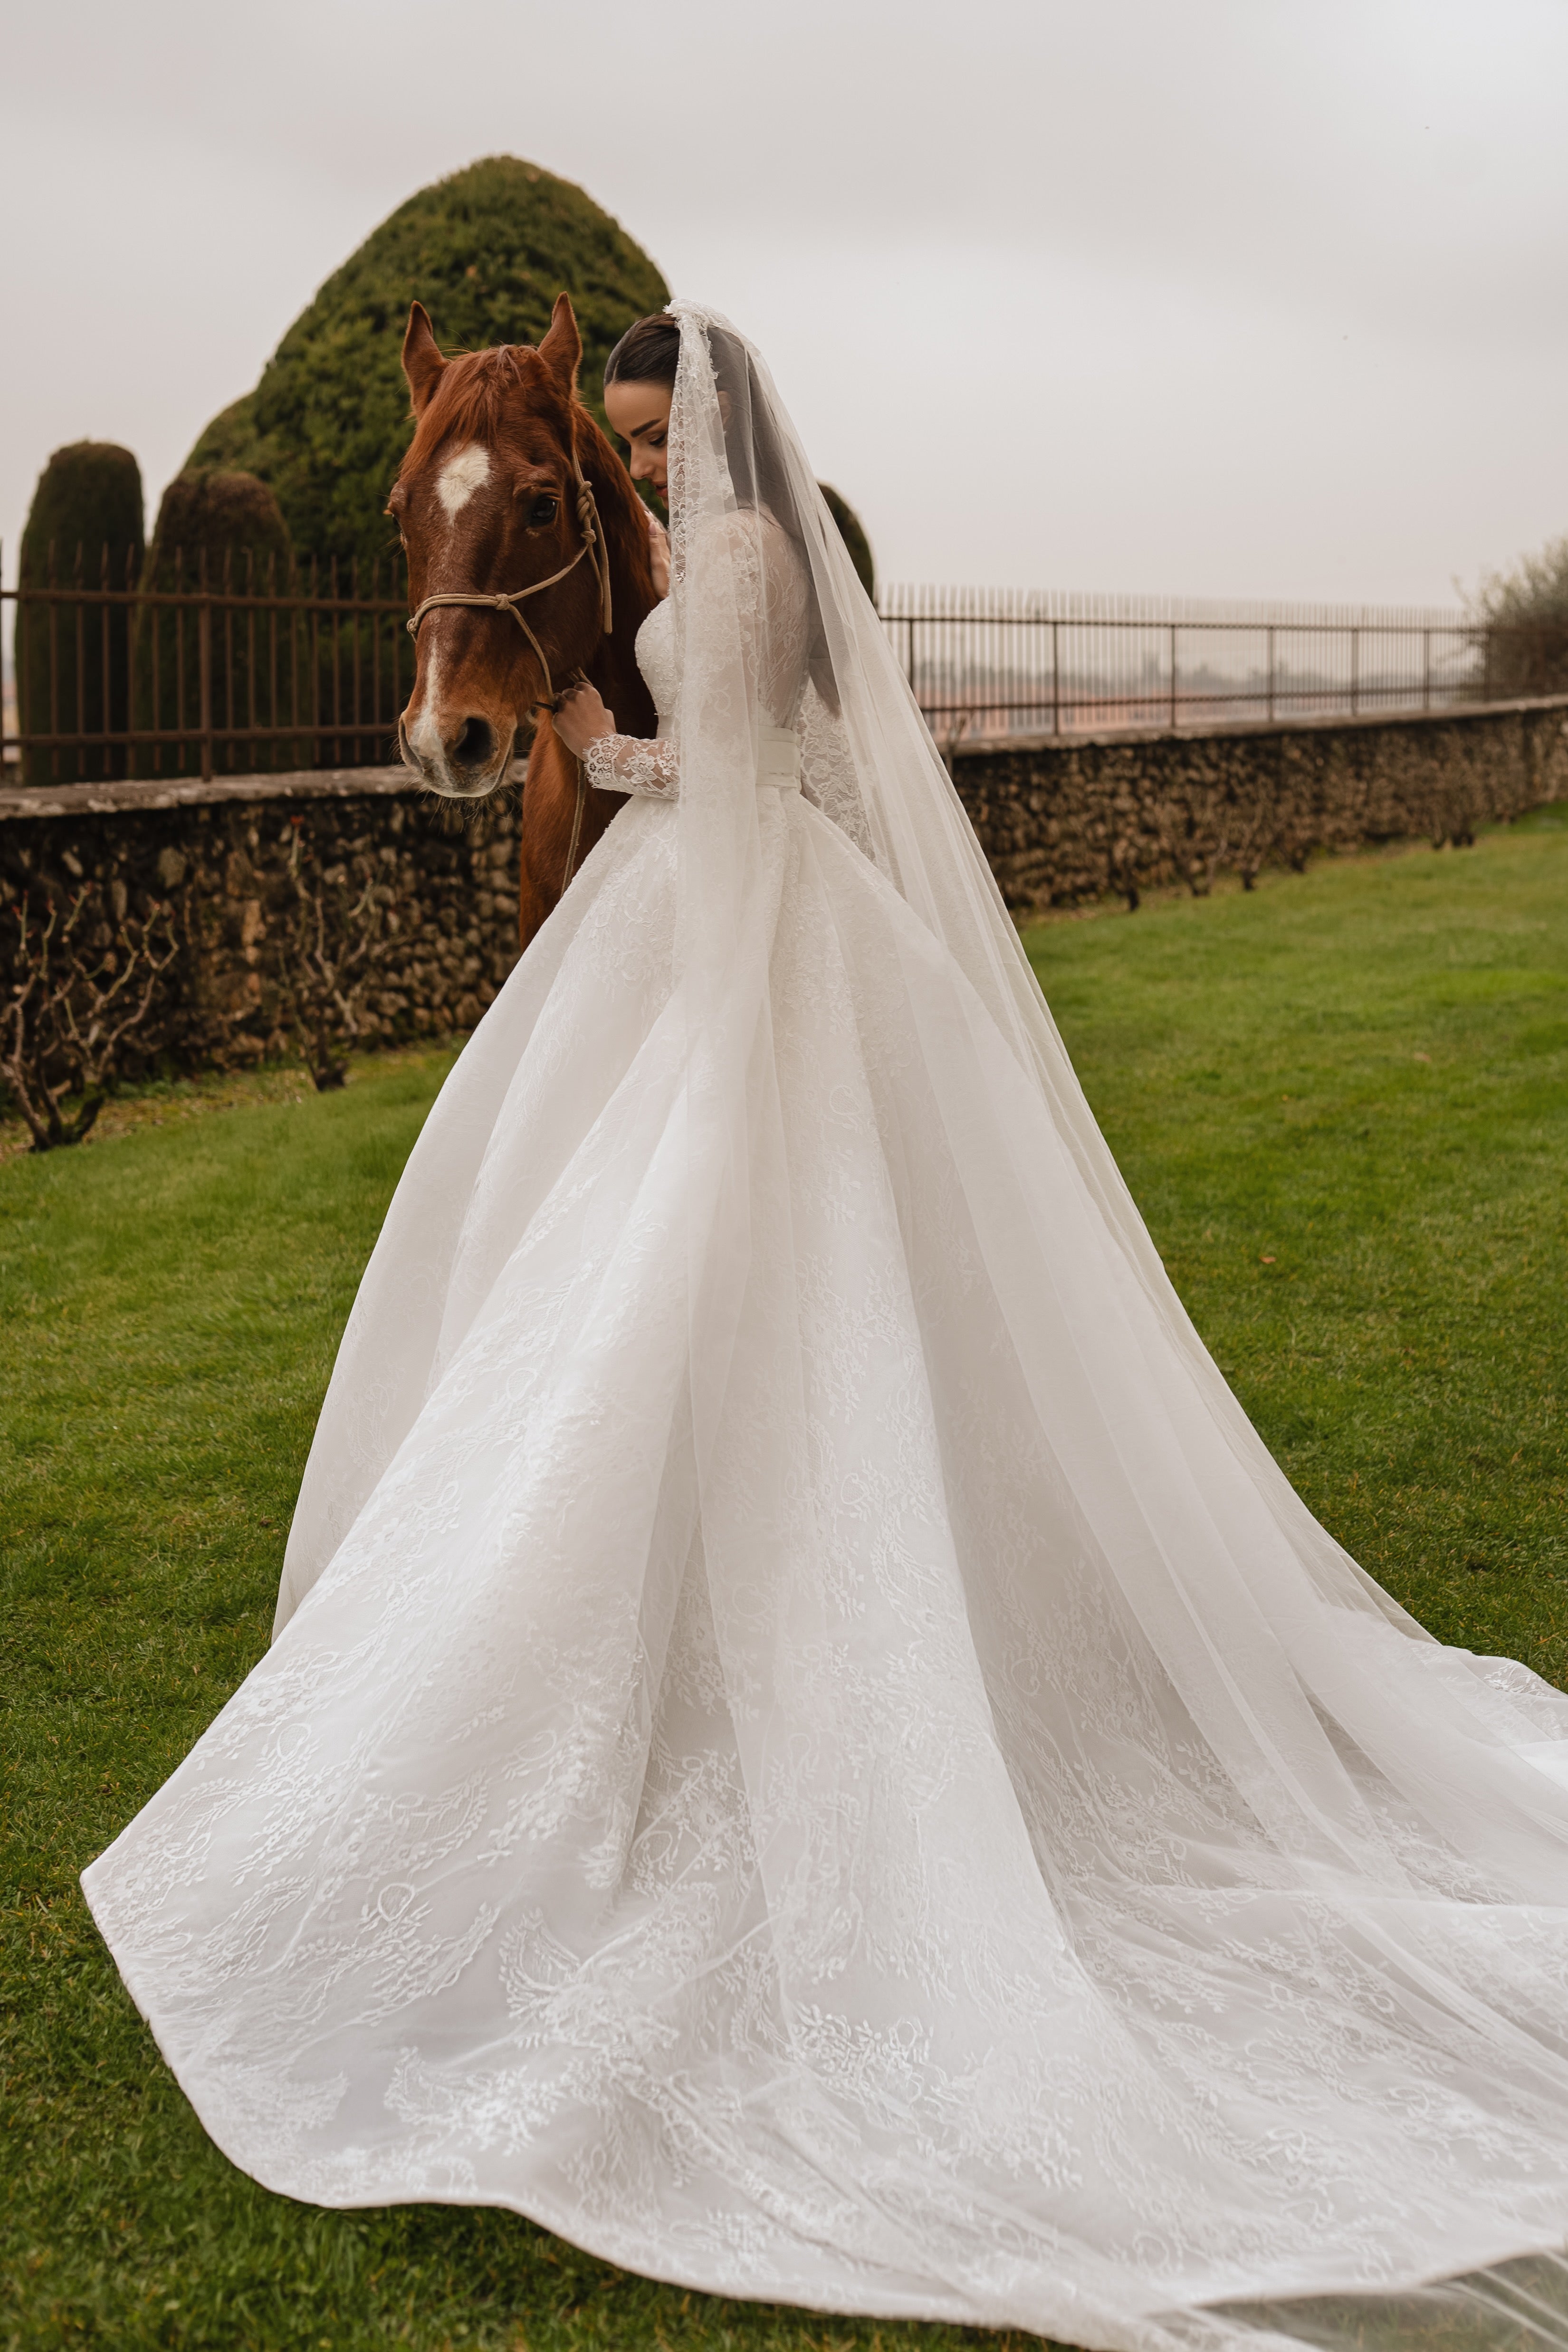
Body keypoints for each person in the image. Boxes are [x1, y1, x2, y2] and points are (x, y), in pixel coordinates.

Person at [84, 306, 1568, 2352]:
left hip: (740, 926)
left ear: (706, 427)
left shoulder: (748, 564)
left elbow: (719, 779)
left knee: (736, 1281)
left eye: (642, 436)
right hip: (694, 922)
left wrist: (588, 729)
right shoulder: (714, 553)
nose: (632, 466)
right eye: (618, 445)